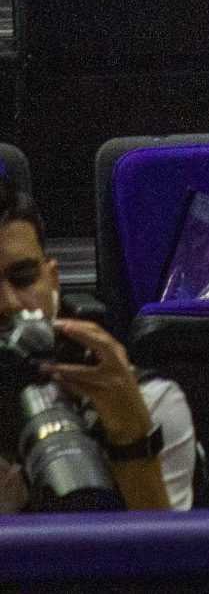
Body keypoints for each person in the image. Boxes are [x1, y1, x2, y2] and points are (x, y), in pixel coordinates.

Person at [0, 174, 195, 512]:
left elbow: (161, 560)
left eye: (24, 278)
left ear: (53, 280)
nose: (9, 303)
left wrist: (133, 442)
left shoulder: (147, 401)